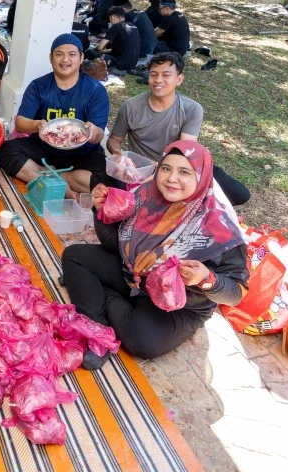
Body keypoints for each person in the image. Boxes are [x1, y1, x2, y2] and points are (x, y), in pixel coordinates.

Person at [61, 140, 249, 367]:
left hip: (177, 306)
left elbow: (237, 294)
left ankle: (97, 292)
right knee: (74, 256)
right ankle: (99, 331)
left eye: (184, 172)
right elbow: (113, 245)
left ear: (202, 178)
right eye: (166, 168)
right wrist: (99, 208)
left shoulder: (220, 229)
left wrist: (207, 279)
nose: (171, 178)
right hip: (132, 276)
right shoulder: (147, 195)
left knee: (143, 342)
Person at [107, 52, 251, 206]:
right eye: (153, 74)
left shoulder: (192, 109)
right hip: (143, 170)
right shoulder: (130, 106)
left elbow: (186, 152)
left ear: (179, 79)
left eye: (166, 75)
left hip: (181, 166)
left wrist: (164, 169)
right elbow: (114, 140)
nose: (158, 80)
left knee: (240, 194)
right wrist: (119, 155)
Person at [0, 34, 109, 196]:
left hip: (81, 153)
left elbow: (98, 137)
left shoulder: (95, 91)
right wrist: (37, 125)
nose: (65, 59)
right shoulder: (38, 86)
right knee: (4, 151)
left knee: (104, 180)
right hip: (44, 149)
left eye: (72, 54)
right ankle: (57, 180)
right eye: (59, 54)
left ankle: (47, 177)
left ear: (81, 57)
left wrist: (93, 132)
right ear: (51, 58)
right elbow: (20, 123)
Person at [97, 7, 140, 75]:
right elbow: (122, 49)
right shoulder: (133, 26)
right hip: (133, 63)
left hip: (120, 65)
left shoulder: (116, 26)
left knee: (90, 52)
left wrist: (100, 50)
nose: (110, 22)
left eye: (110, 19)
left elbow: (100, 47)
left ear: (113, 17)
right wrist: (103, 51)